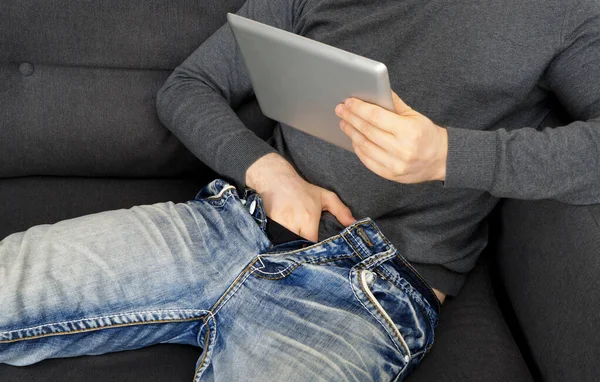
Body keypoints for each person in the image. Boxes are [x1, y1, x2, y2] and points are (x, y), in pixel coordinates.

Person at [1, 0, 599, 380]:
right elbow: (188, 86)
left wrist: (448, 154)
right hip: (237, 221)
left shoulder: (566, 13)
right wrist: (271, 172)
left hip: (374, 285)